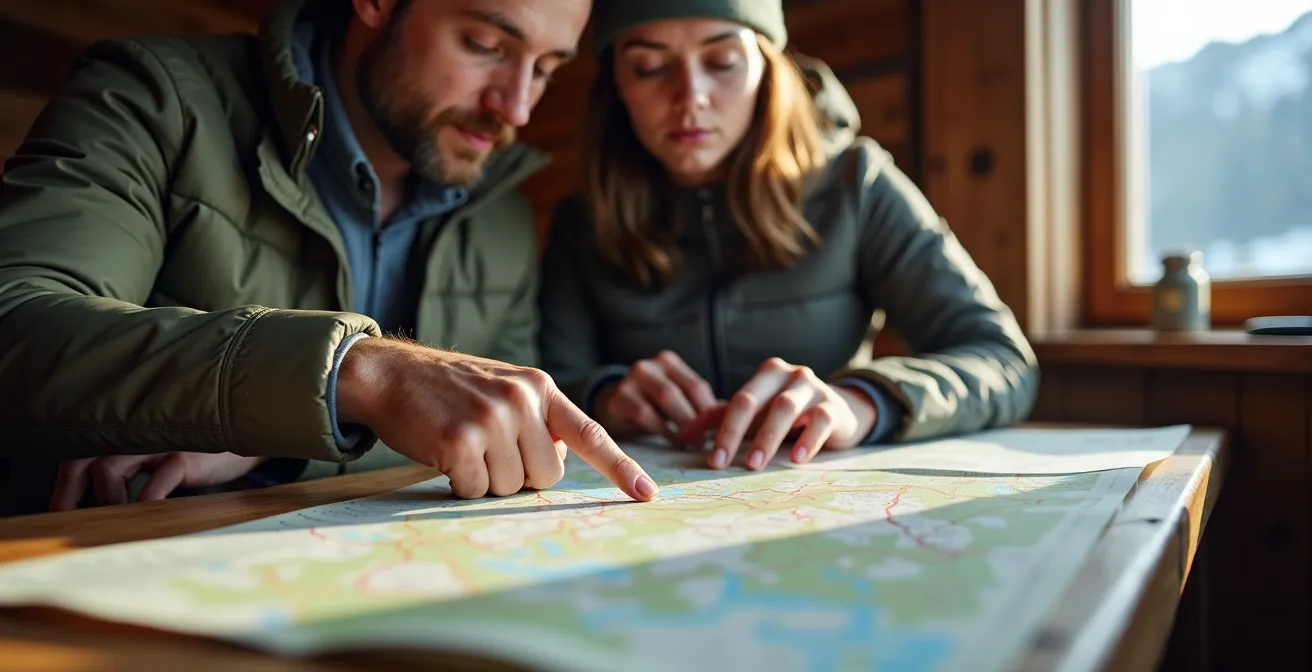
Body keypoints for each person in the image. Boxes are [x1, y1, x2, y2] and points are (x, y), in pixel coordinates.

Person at [0, 0, 659, 516]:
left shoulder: (502, 213)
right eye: (486, 46)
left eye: (545, 70)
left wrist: (269, 438)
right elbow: (18, 323)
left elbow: (504, 443)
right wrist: (359, 375)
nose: (515, 106)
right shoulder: (152, 97)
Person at [538, 1, 1040, 472]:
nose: (690, 97)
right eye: (650, 67)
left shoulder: (857, 185)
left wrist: (863, 403)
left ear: (767, 66)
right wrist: (603, 393)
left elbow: (1003, 362)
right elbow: (550, 377)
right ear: (617, 86)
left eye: (723, 60)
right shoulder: (581, 224)